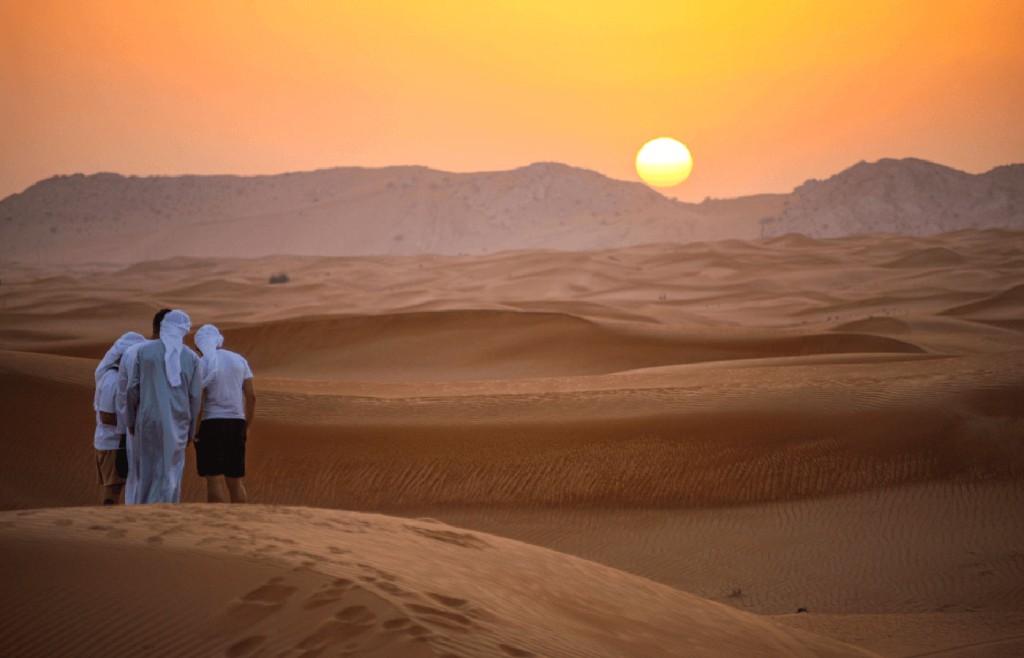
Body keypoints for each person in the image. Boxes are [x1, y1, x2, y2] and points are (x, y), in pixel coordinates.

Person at [124, 309, 202, 504]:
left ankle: (145, 513)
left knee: (147, 471)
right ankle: (164, 512)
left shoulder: (144, 352)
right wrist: (192, 430)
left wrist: (131, 421)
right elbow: (195, 398)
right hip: (178, 424)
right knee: (171, 471)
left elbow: (132, 389)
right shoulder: (192, 358)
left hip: (147, 420)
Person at [194, 324, 256, 503]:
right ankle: (240, 523)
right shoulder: (240, 360)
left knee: (213, 479)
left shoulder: (202, 363)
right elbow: (251, 397)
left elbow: (201, 399)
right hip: (236, 423)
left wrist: (196, 430)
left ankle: (217, 525)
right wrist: (246, 427)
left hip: (210, 424)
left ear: (200, 346)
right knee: (236, 481)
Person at [117, 309, 170, 503]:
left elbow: (125, 393)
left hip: (139, 422)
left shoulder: (131, 353)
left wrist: (129, 421)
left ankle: (138, 521)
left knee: (136, 475)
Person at [93, 331, 146, 504]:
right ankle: (108, 524)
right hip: (113, 444)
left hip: (121, 443)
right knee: (113, 488)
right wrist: (136, 421)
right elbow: (106, 416)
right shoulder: (113, 380)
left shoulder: (122, 377)